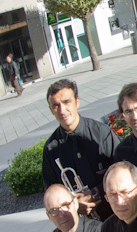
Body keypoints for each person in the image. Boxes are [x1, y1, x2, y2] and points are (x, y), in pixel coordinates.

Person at [42, 79, 118, 216]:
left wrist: (95, 192)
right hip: (79, 221)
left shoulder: (101, 133)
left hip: (114, 214)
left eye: (66, 102)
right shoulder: (50, 148)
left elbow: (121, 171)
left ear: (77, 102)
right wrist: (73, 204)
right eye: (55, 106)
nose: (62, 110)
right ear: (51, 110)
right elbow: (51, 192)